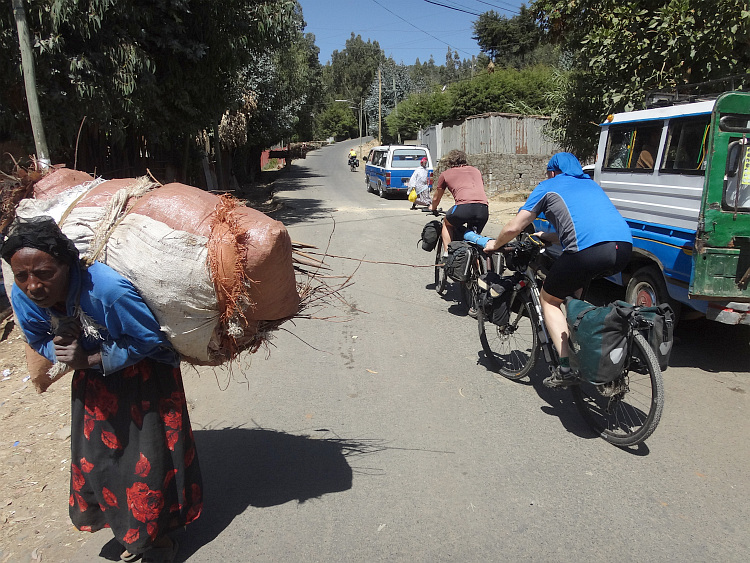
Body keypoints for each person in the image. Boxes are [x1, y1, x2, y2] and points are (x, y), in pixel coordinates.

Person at [1, 216, 202, 563]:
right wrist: (62, 352)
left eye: (44, 273)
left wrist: (92, 359)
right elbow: (38, 338)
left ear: (66, 265)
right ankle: (123, 526)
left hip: (146, 379)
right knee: (99, 459)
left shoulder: (107, 290)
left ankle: (159, 536)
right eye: (22, 276)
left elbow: (151, 340)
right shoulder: (25, 297)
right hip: (93, 384)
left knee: (149, 460)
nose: (33, 286)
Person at [483, 153, 633, 388]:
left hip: (588, 251)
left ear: (552, 172)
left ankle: (565, 368)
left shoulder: (549, 185)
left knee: (549, 300)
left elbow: (514, 226)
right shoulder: (591, 185)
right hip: (622, 248)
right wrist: (546, 236)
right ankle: (584, 343)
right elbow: (585, 229)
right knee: (574, 296)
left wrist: (495, 244)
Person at [428, 149, 489, 256]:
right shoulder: (476, 171)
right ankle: (477, 266)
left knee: (447, 224)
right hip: (483, 209)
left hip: (463, 208)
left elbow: (436, 198)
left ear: (449, 162)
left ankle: (447, 254)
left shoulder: (445, 174)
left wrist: (433, 208)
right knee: (474, 240)